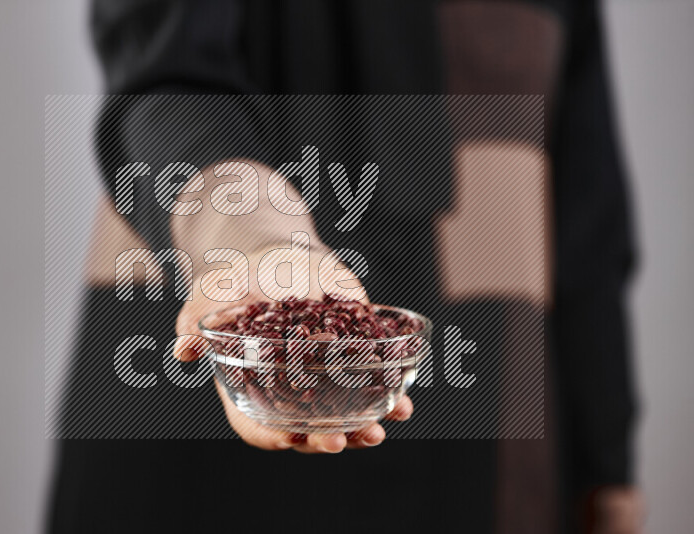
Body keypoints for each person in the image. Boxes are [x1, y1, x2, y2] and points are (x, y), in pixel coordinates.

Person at [48, 1, 642, 532]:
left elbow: (585, 221)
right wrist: (258, 244)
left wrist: (606, 472)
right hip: (203, 395)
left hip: (487, 404)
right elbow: (164, 82)